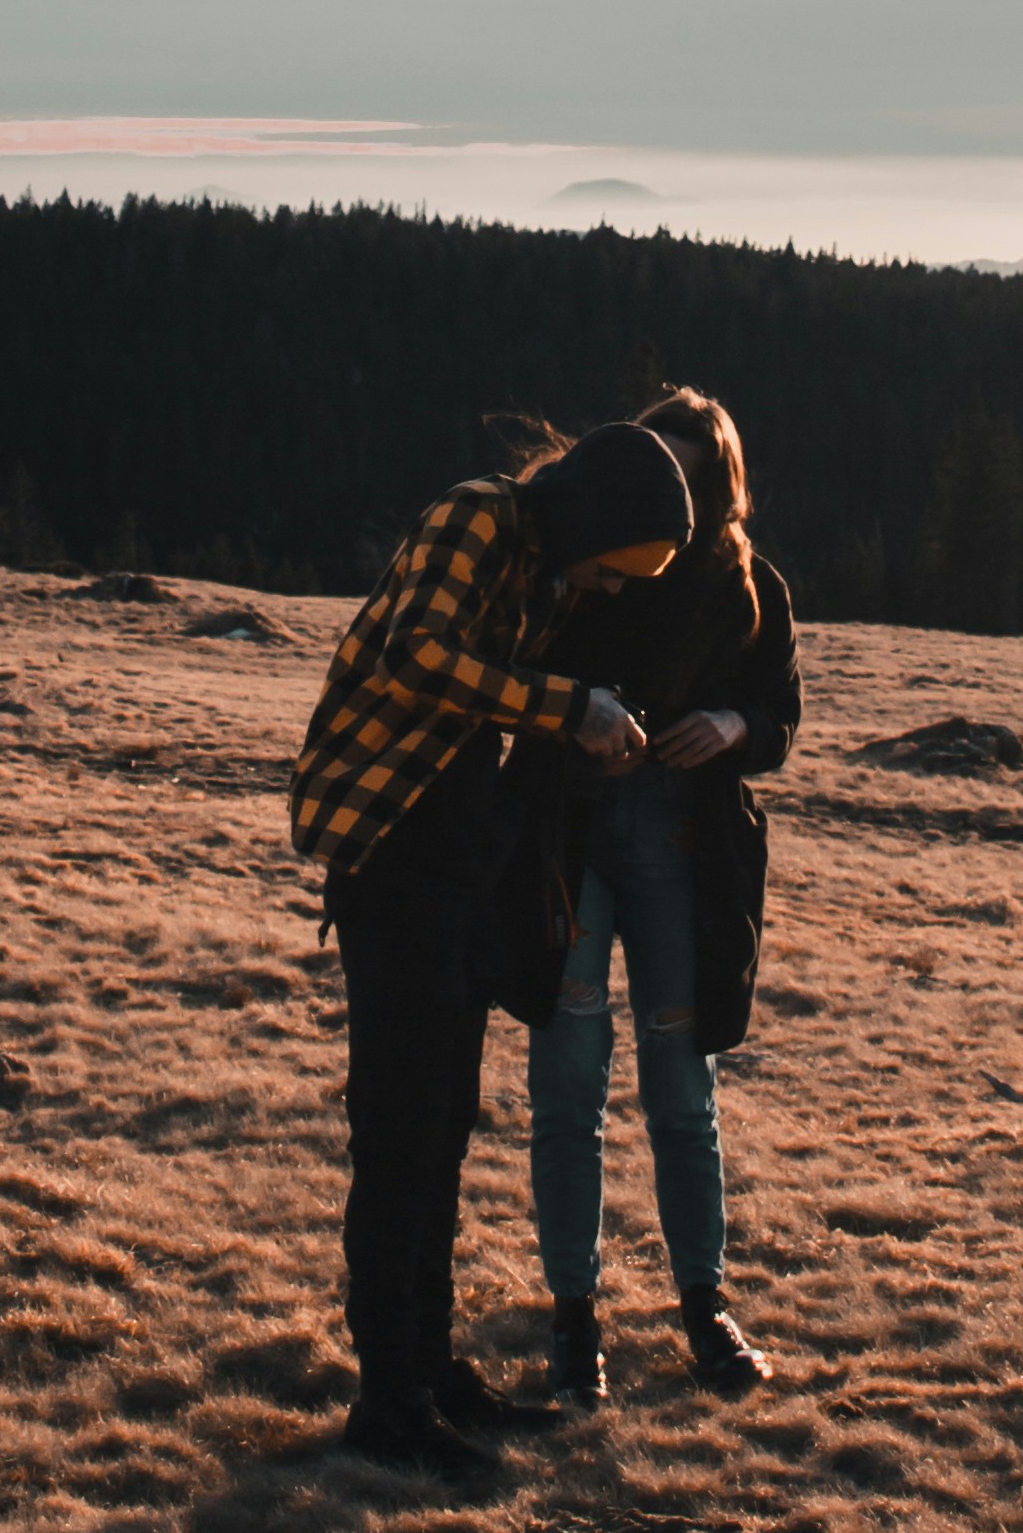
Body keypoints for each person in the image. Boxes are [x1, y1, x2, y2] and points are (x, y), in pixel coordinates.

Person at [289, 417, 691, 1476]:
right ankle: (388, 1403)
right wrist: (570, 707)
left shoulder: (547, 573)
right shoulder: (476, 517)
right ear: (591, 525)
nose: (605, 591)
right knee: (401, 1126)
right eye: (611, 569)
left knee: (445, 1126)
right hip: (388, 840)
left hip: (452, 851)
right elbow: (423, 656)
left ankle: (431, 1372)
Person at [514, 383, 800, 1402]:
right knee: (569, 1088)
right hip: (579, 843)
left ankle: (704, 1307)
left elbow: (778, 718)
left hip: (685, 848)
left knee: (683, 1092)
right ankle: (573, 1317)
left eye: (690, 472)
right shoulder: (590, 570)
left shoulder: (747, 584)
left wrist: (730, 729)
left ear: (720, 484)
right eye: (657, 467)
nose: (669, 491)